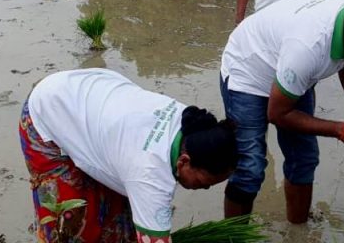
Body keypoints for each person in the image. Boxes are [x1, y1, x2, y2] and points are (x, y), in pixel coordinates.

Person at [220, 0, 344, 223]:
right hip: (248, 70)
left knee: (304, 157)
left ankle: (297, 232)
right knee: (250, 166)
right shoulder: (308, 48)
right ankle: (232, 238)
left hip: (290, 75)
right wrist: (342, 130)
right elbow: (278, 113)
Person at [20, 68, 238, 243]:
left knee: (118, 216)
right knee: (71, 221)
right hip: (49, 112)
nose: (205, 189)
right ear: (184, 161)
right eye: (204, 182)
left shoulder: (192, 124)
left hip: (91, 97)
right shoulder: (149, 173)